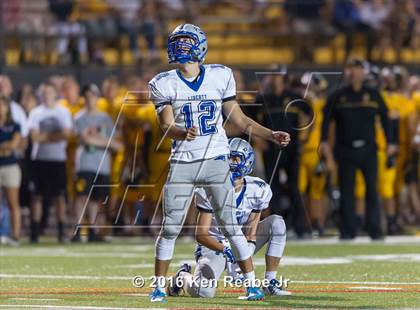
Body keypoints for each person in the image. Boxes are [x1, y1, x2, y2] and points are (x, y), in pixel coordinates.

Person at [148, 24, 290, 302]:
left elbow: (240, 121)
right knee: (170, 227)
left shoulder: (220, 75)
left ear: (200, 46)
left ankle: (251, 285)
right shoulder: (163, 82)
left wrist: (270, 135)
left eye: (186, 42)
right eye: (177, 41)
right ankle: (157, 286)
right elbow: (165, 124)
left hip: (215, 158)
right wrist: (181, 132)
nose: (181, 46)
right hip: (183, 161)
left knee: (230, 226)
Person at [168, 138, 291, 298]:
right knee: (203, 292)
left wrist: (244, 253)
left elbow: (251, 232)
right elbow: (202, 234)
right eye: (225, 158)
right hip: (214, 246)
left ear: (247, 162)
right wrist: (225, 249)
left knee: (277, 223)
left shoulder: (258, 189)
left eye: (234, 158)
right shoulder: (209, 188)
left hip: (240, 241)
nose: (229, 163)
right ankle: (182, 277)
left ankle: (270, 282)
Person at [320, 58, 397, 240]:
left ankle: (375, 229)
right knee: (347, 190)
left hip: (369, 149)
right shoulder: (337, 96)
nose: (354, 72)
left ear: (364, 72)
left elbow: (386, 120)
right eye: (351, 68)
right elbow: (325, 121)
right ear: (347, 72)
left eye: (358, 69)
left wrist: (391, 143)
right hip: (345, 149)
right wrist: (323, 142)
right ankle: (348, 230)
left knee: (372, 189)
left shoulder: (373, 94)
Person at [73, 84, 122, 242]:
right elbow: (84, 139)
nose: (89, 99)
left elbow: (116, 144)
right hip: (85, 163)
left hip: (102, 165)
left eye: (92, 96)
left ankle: (93, 230)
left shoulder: (105, 118)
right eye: (86, 96)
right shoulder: (80, 117)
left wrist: (95, 139)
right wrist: (103, 141)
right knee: (82, 196)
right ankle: (79, 229)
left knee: (95, 198)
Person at [28, 82, 73, 243]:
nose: (47, 96)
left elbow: (66, 135)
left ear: (56, 94)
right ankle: (34, 232)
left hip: (58, 160)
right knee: (37, 196)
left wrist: (45, 137)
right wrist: (54, 136)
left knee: (59, 196)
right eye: (44, 93)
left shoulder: (63, 112)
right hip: (39, 159)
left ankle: (61, 232)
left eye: (50, 93)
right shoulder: (35, 112)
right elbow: (34, 137)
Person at [0, 96, 22, 245]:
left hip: (10, 166)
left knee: (13, 202)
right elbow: (8, 146)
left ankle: (15, 235)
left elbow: (14, 145)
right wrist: (5, 146)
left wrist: (6, 146)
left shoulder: (15, 125)